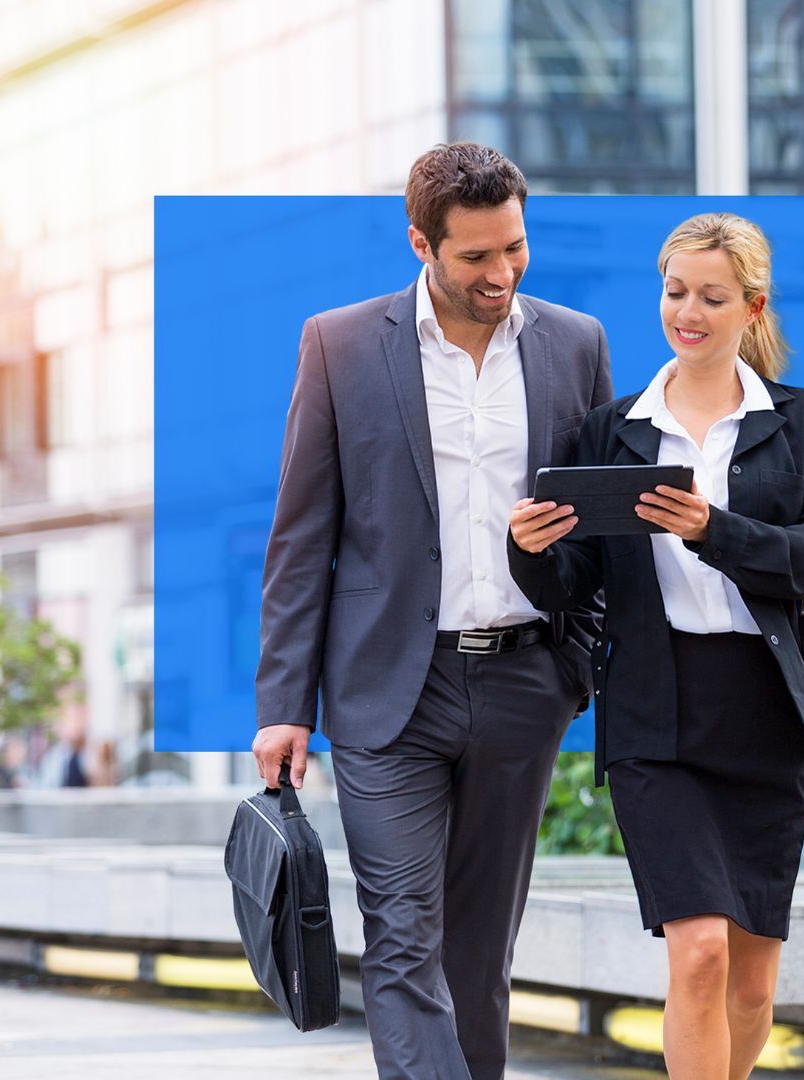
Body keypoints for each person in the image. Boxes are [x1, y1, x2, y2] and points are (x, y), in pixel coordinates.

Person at [251, 142, 612, 1080]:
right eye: (476, 258)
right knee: (403, 939)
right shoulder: (339, 344)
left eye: (514, 250)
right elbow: (301, 536)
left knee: (477, 955)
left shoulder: (576, 344)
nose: (501, 275)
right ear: (421, 243)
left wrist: (576, 666)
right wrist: (284, 703)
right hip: (386, 690)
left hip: (525, 680)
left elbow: (603, 527)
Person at [507, 212, 804, 1078]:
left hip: (768, 712)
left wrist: (713, 529)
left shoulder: (801, 421)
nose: (686, 311)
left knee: (751, 981)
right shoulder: (614, 430)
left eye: (710, 296)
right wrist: (531, 549)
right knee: (698, 952)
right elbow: (574, 585)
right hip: (656, 717)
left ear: (752, 306)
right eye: (673, 291)